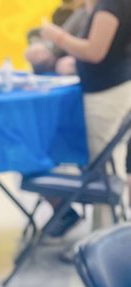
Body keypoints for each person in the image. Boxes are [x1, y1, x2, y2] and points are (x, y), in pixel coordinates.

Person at [42, 0, 131, 233]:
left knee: (103, 172)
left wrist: (57, 36)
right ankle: (106, 236)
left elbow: (95, 51)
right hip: (106, 88)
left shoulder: (112, 4)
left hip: (107, 92)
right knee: (103, 166)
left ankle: (103, 240)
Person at [26, 1, 88, 75]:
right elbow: (57, 44)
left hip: (83, 58)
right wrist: (47, 49)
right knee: (36, 51)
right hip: (62, 52)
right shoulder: (78, 12)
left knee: (65, 65)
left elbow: (93, 51)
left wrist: (59, 38)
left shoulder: (97, 12)